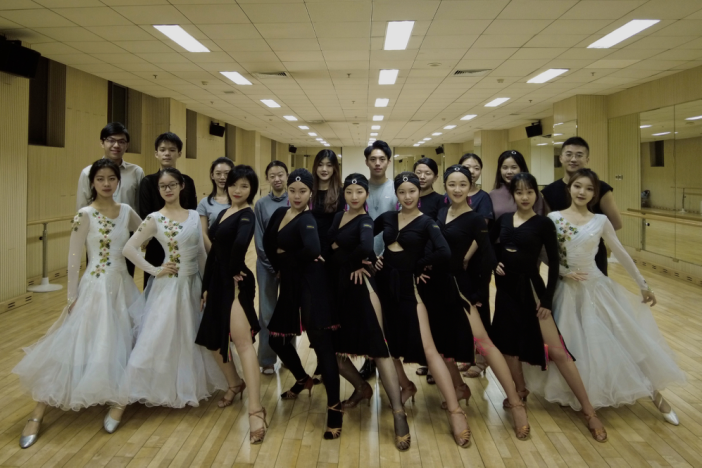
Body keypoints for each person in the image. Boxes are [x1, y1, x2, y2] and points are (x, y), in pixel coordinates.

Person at [525, 169, 684, 425]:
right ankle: (579, 394)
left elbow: (620, 252)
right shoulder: (553, 218)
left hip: (597, 289)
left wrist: (643, 284)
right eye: (578, 186)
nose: (582, 192)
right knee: (571, 344)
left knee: (624, 340)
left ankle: (656, 396)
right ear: (569, 188)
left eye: (589, 189)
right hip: (565, 290)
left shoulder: (600, 220)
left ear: (595, 194)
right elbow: (544, 254)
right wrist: (564, 271)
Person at [14, 159, 142, 448]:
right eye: (100, 179)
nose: (107, 183)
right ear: (92, 183)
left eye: (111, 178)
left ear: (118, 182)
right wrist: (71, 297)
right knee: (74, 344)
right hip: (95, 286)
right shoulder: (84, 214)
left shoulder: (127, 211)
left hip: (122, 285)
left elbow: (148, 233)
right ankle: (37, 413)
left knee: (122, 341)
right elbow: (73, 259)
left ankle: (118, 399)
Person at [489, 172, 607, 443]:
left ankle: (589, 411)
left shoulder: (543, 223)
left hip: (532, 290)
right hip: (506, 292)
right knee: (508, 347)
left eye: (529, 192)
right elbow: (489, 244)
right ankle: (520, 391)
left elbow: (553, 262)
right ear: (513, 195)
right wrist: (494, 261)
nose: (525, 197)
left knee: (558, 351)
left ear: (536, 194)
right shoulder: (504, 220)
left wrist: (547, 299)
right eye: (519, 192)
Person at [118, 168, 227, 419]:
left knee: (191, 335)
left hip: (193, 284)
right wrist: (154, 270)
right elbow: (129, 248)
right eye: (163, 186)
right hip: (168, 287)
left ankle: (187, 385)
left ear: (181, 186)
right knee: (157, 337)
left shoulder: (194, 215)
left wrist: (208, 285)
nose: (167, 190)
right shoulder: (154, 218)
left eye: (172, 185)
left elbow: (200, 253)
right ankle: (133, 393)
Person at [373, 172, 471, 448]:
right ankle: (406, 386)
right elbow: (364, 231)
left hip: (410, 288)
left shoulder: (427, 222)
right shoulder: (388, 218)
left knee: (429, 349)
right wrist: (373, 258)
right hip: (385, 285)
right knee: (388, 346)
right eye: (402, 192)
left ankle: (455, 410)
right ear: (397, 194)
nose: (407, 196)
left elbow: (444, 252)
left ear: (419, 192)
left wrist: (419, 265)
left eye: (412, 191)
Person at [437, 164, 529, 440]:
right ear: (445, 186)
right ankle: (459, 388)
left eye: (462, 184)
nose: (457, 189)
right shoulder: (441, 213)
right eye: (452, 184)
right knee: (443, 345)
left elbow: (487, 256)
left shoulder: (475, 218)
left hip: (463, 288)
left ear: (470, 187)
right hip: (439, 287)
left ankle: (515, 402)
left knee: (483, 343)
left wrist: (477, 294)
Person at [327, 173, 410, 451]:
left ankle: (398, 412)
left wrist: (345, 253)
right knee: (335, 353)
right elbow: (327, 247)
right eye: (349, 192)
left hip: (362, 288)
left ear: (366, 195)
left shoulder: (365, 220)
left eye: (359, 192)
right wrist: (345, 252)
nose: (354, 197)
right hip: (340, 289)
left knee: (379, 350)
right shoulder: (338, 217)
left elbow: (364, 246)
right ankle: (362, 387)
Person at [263, 169, 342, 440]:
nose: (297, 196)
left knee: (321, 344)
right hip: (290, 282)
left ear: (311, 193)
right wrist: (280, 264)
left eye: (303, 191)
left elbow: (313, 250)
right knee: (276, 339)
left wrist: (287, 258)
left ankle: (335, 409)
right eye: (293, 190)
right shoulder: (278, 213)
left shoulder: (308, 219)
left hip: (311, 284)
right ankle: (302, 379)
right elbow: (268, 243)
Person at [195, 165, 268, 444]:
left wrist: (235, 268)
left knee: (243, 344)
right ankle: (235, 384)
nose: (238, 190)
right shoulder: (225, 211)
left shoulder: (247, 214)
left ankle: (256, 410)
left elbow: (240, 244)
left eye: (244, 186)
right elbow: (214, 252)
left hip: (236, 284)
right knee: (212, 341)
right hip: (217, 282)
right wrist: (205, 286)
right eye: (234, 185)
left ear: (252, 190)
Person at [541, 137, 622, 276]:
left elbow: (616, 223)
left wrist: (587, 237)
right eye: (569, 154)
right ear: (561, 158)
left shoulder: (601, 188)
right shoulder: (549, 191)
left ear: (587, 160)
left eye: (579, 155)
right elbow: (548, 229)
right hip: (562, 258)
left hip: (593, 256)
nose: (573, 159)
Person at [76, 122, 144, 277]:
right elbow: (82, 207)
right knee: (98, 281)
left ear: (127, 145)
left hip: (127, 238)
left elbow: (139, 206)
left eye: (121, 141)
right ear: (102, 143)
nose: (116, 145)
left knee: (126, 280)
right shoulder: (88, 173)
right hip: (98, 238)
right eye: (111, 140)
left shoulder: (136, 172)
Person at [138, 132, 197, 288]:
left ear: (179, 153)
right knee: (154, 291)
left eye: (172, 150)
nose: (167, 153)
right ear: (156, 153)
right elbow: (145, 214)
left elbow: (192, 214)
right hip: (156, 245)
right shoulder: (148, 182)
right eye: (162, 149)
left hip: (183, 245)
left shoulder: (188, 182)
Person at [359, 140, 397, 380]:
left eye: (382, 159)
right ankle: (370, 360)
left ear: (388, 162)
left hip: (388, 260)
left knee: (389, 313)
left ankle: (389, 363)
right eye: (373, 159)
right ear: (366, 162)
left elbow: (401, 225)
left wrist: (387, 254)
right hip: (363, 261)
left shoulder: (396, 189)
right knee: (368, 315)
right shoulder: (359, 189)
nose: (377, 163)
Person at [459, 154, 496, 379]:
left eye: (476, 167)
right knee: (464, 310)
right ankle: (470, 355)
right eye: (467, 167)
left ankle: (483, 360)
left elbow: (482, 231)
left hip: (476, 261)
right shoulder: (453, 195)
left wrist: (465, 257)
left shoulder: (483, 198)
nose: (472, 171)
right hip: (457, 263)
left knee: (480, 308)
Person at [254, 161, 289, 375]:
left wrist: (286, 265)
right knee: (267, 313)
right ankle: (267, 359)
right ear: (267, 178)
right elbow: (259, 239)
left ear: (287, 176)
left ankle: (289, 356)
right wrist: (272, 265)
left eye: (281, 174)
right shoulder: (261, 204)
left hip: (289, 266)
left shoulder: (295, 199)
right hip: (266, 266)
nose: (277, 179)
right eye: (272, 175)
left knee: (289, 312)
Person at [489, 150, 544, 220]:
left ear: (521, 169)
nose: (509, 172)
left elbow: (540, 220)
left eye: (514, 167)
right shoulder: (492, 195)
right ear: (500, 170)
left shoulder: (532, 193)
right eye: (505, 168)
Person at [197, 157, 235, 253]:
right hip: (211, 253)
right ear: (212, 175)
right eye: (218, 173)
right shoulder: (204, 203)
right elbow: (203, 233)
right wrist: (213, 254)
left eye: (227, 173)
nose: (222, 177)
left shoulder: (239, 202)